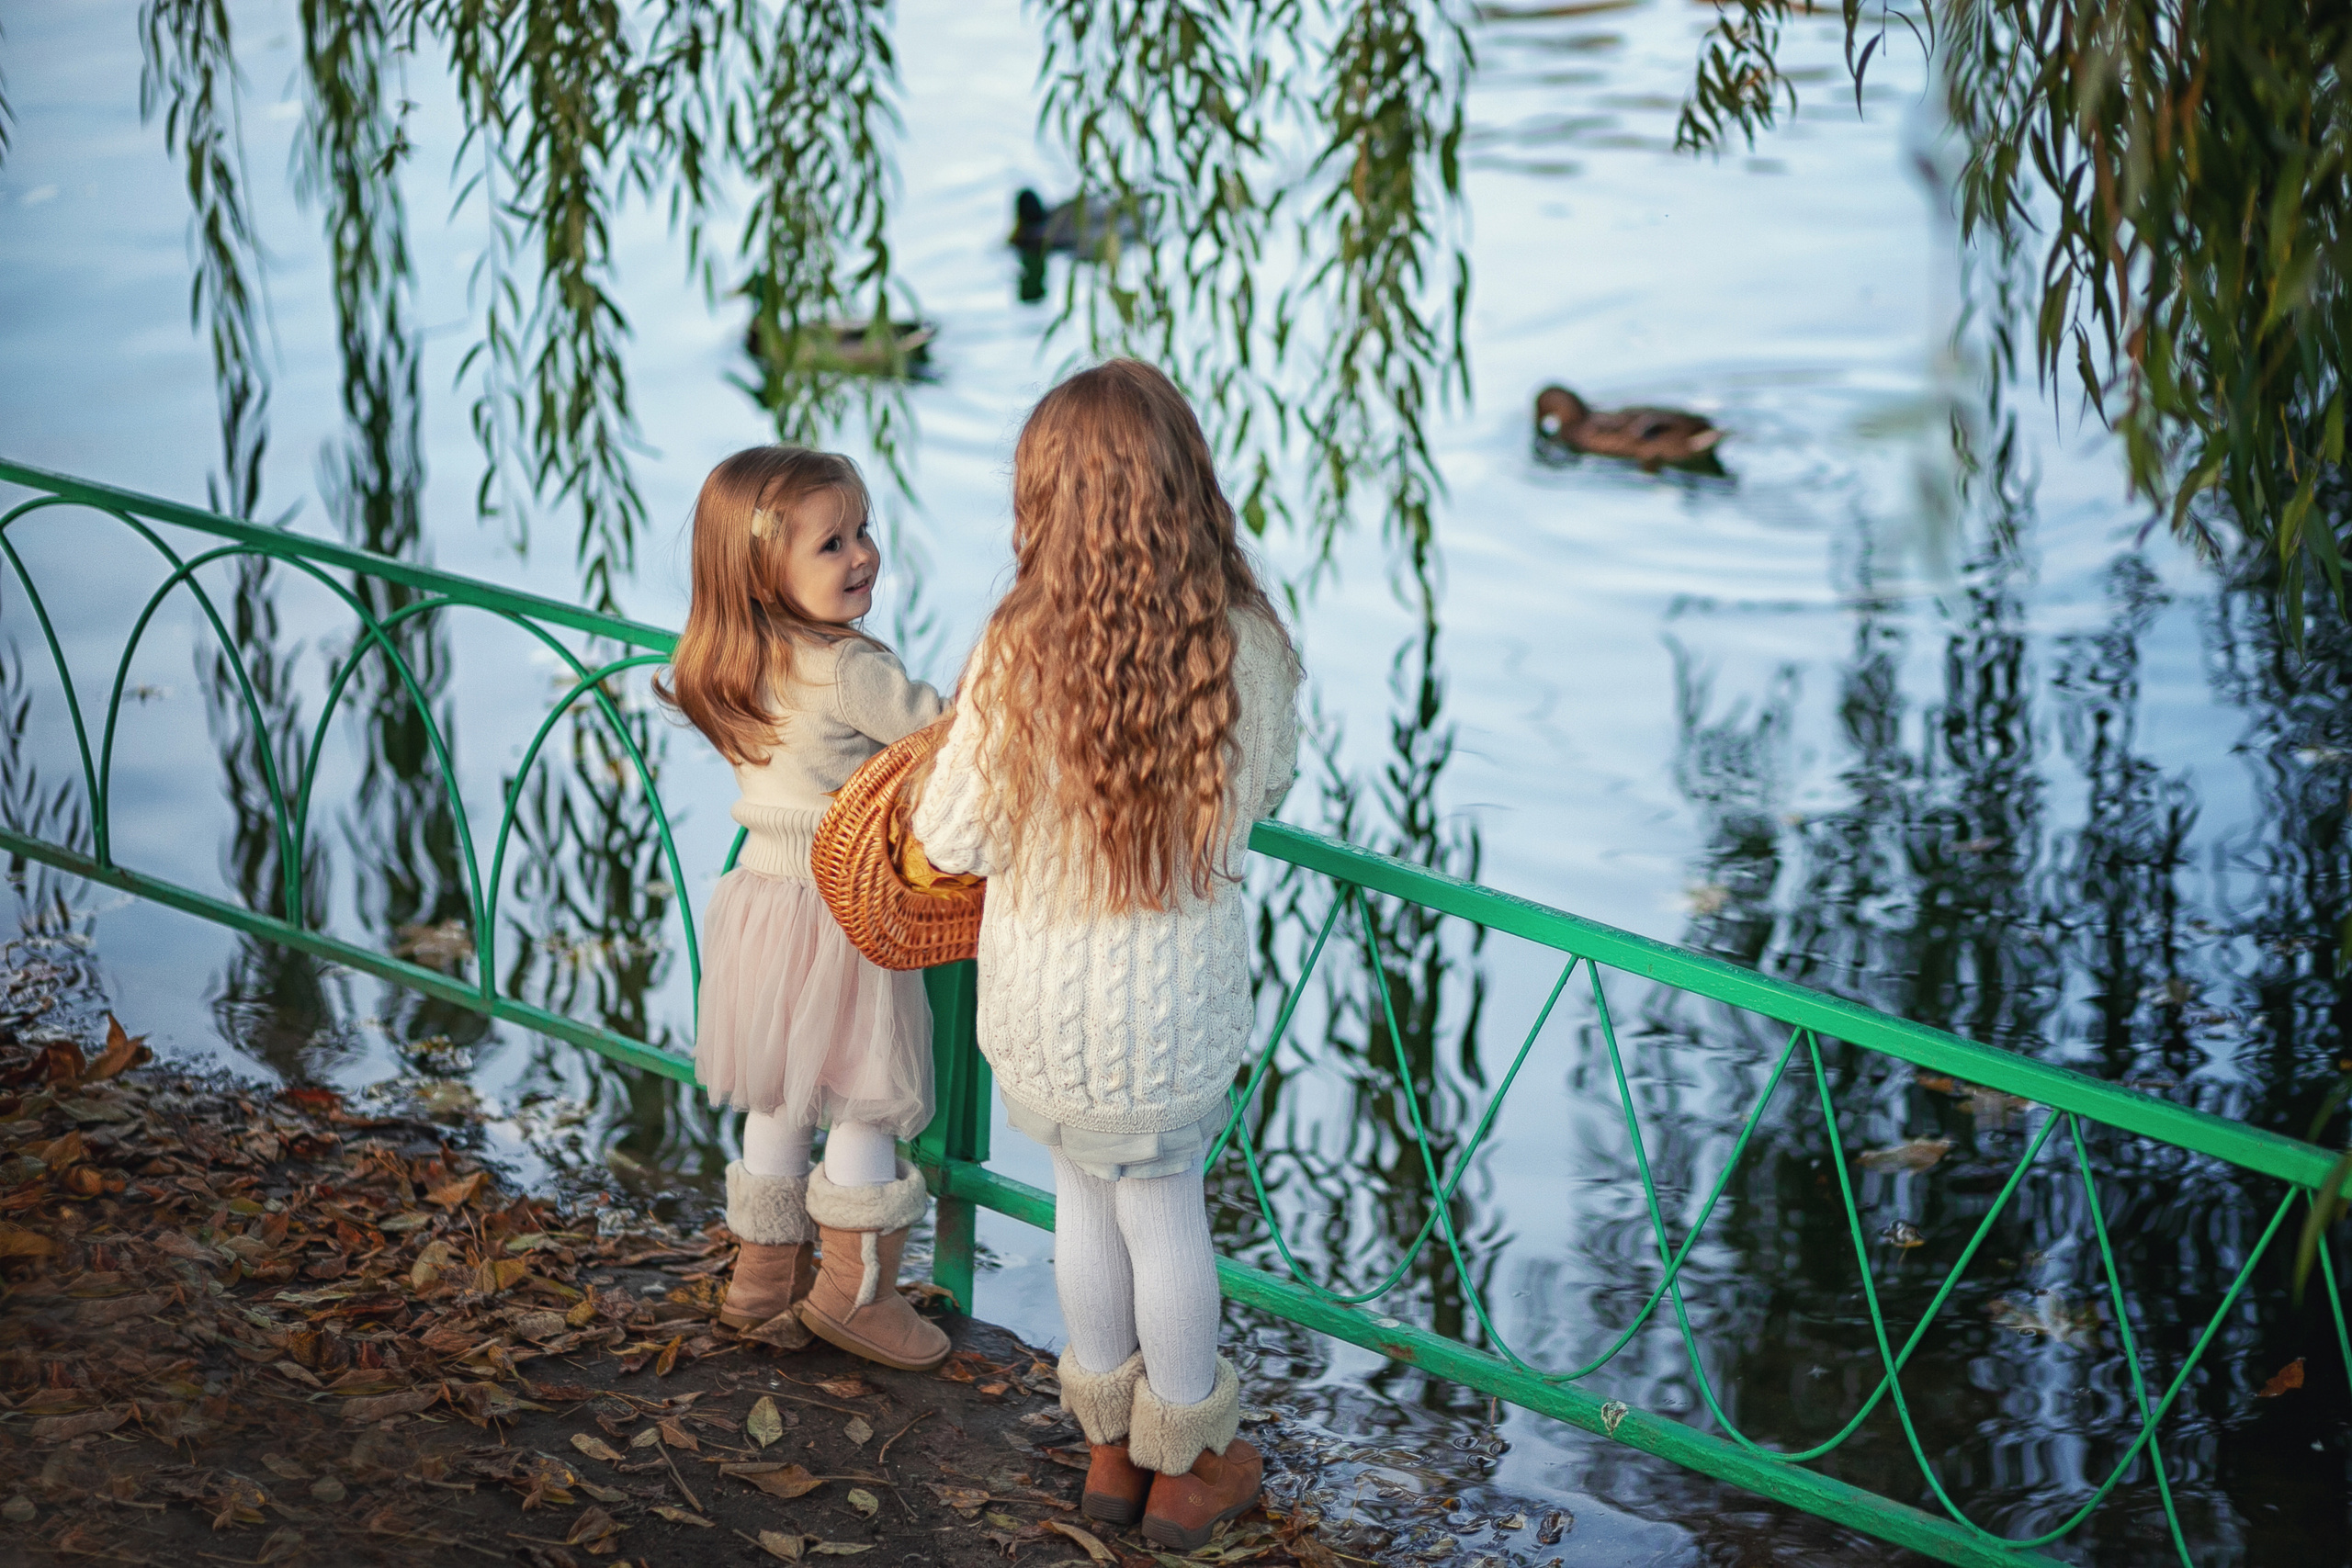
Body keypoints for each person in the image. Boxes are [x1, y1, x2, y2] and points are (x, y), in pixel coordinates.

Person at [911, 360, 1301, 1550]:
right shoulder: (1246, 642)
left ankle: (1107, 1452)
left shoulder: (1018, 647)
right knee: (1167, 1209)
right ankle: (1187, 1457)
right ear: (1189, 484)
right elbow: (1266, 787)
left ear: (1046, 500)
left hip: (1043, 1008)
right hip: (1172, 1016)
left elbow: (952, 831)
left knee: (1085, 1203)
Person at [658, 446, 951, 1372]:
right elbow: (949, 737)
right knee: (864, 1099)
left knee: (782, 1095)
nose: (863, 553)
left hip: (760, 903)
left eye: (864, 529)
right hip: (843, 907)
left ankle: (759, 1283)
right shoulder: (849, 669)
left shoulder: (727, 657)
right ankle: (855, 1298)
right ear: (764, 569)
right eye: (833, 543)